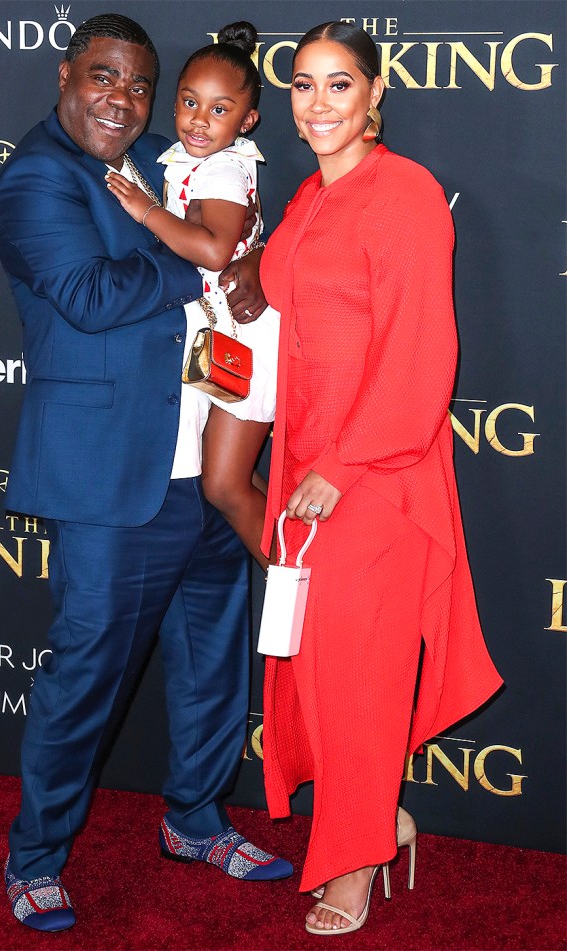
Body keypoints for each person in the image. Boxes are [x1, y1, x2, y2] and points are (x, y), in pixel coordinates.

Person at [0, 12, 292, 934]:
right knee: (87, 675)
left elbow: (233, 227)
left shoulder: (169, 152)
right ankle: (35, 857)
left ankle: (197, 820)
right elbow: (88, 297)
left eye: (136, 86)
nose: (120, 100)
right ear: (65, 74)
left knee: (212, 664)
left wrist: (245, 262)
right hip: (111, 477)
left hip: (210, 462)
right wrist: (204, 265)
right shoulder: (36, 175)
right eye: (102, 78)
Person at [258, 22, 503, 936]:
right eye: (303, 84)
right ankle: (380, 819)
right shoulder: (308, 197)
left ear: (375, 96)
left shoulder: (400, 192)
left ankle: (355, 859)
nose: (318, 104)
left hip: (375, 473)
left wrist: (342, 462)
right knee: (318, 674)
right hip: (307, 466)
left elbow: (420, 350)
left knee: (358, 675)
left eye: (339, 86)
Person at [106, 21, 278, 572]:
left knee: (225, 486)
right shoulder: (191, 160)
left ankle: (309, 599)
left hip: (244, 333)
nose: (199, 120)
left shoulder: (224, 169)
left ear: (247, 120)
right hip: (220, 335)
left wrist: (145, 211)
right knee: (233, 478)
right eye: (188, 102)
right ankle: (307, 582)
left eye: (219, 109)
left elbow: (213, 250)